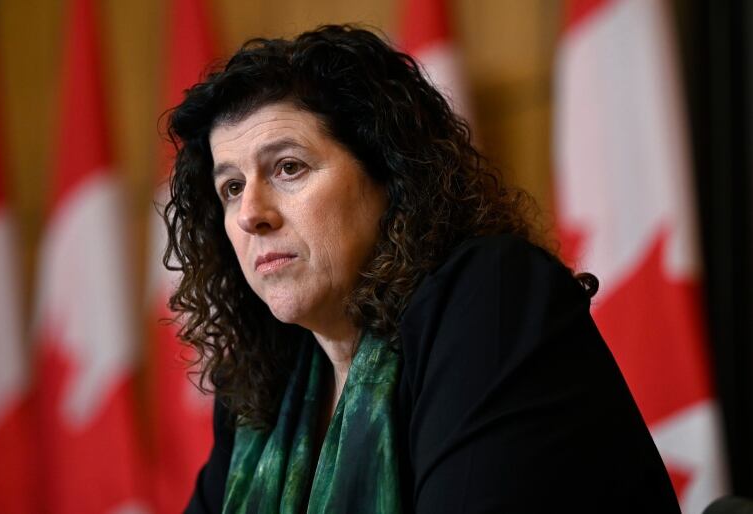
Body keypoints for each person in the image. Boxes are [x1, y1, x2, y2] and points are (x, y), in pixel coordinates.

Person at [163, 24, 680, 513]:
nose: (251, 213)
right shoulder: (260, 387)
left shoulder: (490, 300)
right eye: (231, 187)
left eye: (288, 167)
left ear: (390, 175)